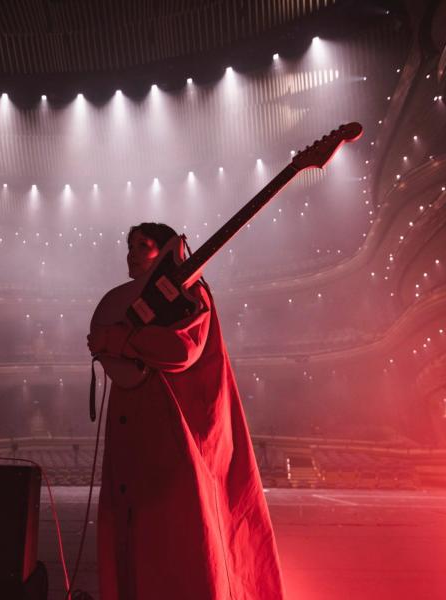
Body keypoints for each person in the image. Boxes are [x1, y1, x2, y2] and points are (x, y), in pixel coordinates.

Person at [87, 222, 283, 600]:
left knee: (178, 537)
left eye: (141, 246)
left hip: (177, 439)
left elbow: (181, 351)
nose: (130, 253)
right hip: (141, 435)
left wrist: (115, 338)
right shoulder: (135, 305)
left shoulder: (192, 294)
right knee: (140, 533)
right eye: (128, 246)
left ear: (164, 252)